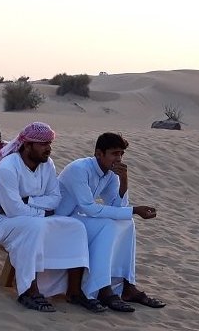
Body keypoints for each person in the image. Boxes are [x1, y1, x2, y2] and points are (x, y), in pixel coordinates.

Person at [0, 122, 105, 313]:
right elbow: (13, 210)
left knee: (76, 227)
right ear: (27, 145)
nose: (48, 149)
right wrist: (42, 211)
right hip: (0, 221)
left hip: (33, 218)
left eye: (49, 143)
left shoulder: (47, 164)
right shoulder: (8, 168)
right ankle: (28, 290)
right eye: (43, 144)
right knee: (34, 226)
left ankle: (73, 291)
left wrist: (30, 200)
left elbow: (55, 198)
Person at [55, 132, 166, 311]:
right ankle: (102, 288)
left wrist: (124, 181)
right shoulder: (79, 169)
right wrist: (134, 210)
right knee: (107, 225)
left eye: (121, 154)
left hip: (78, 218)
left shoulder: (111, 173)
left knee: (127, 224)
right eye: (115, 153)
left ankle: (128, 286)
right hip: (60, 219)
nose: (119, 158)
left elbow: (117, 206)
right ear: (99, 153)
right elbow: (89, 207)